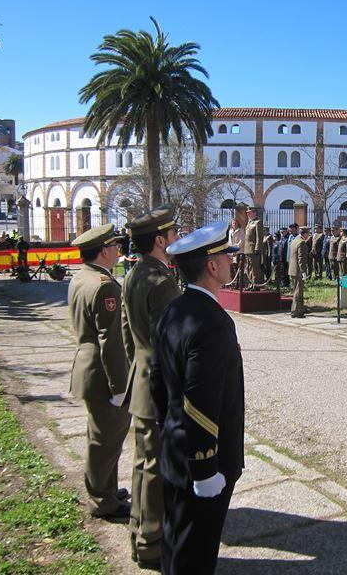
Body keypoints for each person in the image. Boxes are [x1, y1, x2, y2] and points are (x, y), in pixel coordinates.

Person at [151, 222, 244, 574]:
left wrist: (168, 430)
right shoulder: (211, 323)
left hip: (176, 448)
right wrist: (205, 469)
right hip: (204, 461)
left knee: (176, 540)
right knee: (196, 553)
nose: (231, 261)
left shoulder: (174, 310)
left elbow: (157, 381)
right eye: (226, 256)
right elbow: (199, 400)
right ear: (212, 266)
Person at [120, 208, 181, 570]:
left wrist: (137, 371)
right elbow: (171, 345)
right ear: (160, 240)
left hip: (141, 380)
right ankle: (152, 543)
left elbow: (127, 333)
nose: (176, 238)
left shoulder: (134, 274)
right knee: (155, 468)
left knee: (143, 463)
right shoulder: (162, 282)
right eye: (172, 234)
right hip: (157, 388)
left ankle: (138, 535)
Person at [67, 223, 131, 521]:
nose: (119, 249)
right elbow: (111, 341)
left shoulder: (82, 277)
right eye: (115, 246)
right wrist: (120, 387)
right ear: (104, 251)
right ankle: (103, 501)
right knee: (105, 440)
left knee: (103, 437)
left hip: (88, 366)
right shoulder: (105, 285)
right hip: (103, 374)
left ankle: (107, 490)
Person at [289, 226, 311, 318]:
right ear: (304, 234)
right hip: (298, 270)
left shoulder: (294, 240)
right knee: (298, 291)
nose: (308, 236)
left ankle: (300, 309)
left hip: (292, 269)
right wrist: (303, 272)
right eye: (308, 233)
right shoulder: (301, 242)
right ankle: (295, 311)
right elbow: (301, 259)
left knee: (297, 290)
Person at [243, 207, 264, 289]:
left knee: (254, 267)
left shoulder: (258, 222)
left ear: (254, 213)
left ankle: (255, 285)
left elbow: (259, 237)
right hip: (247, 249)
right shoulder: (249, 222)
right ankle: (250, 284)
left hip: (253, 248)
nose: (248, 214)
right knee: (248, 267)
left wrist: (257, 248)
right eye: (247, 212)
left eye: (249, 212)